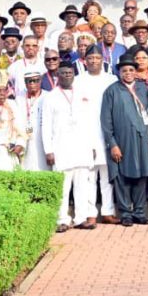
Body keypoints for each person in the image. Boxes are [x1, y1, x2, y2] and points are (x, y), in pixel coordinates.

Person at [101, 53, 148, 226]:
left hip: (141, 139)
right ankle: (125, 213)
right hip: (122, 140)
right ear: (119, 72)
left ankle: (139, 212)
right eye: (124, 70)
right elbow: (105, 120)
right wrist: (112, 144)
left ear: (135, 71)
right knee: (122, 177)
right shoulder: (112, 91)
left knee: (141, 175)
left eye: (131, 70)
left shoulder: (143, 88)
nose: (128, 73)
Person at [42, 61, 96, 231]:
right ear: (58, 75)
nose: (67, 76)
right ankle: (62, 220)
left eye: (70, 73)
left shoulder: (82, 94)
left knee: (82, 187)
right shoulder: (50, 97)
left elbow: (90, 122)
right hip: (61, 148)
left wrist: (93, 145)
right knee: (63, 188)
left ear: (74, 74)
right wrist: (48, 150)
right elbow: (45, 126)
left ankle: (81, 218)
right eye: (63, 73)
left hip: (82, 147)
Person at [75, 45, 120, 224]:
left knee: (107, 176)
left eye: (97, 58)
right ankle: (90, 213)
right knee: (89, 176)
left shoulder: (111, 79)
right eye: (90, 58)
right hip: (86, 134)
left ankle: (108, 211)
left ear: (103, 60)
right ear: (84, 61)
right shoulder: (77, 81)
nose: (94, 61)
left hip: (107, 133)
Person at [0, 69, 25, 171]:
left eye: (4, 90)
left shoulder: (12, 105)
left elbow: (21, 129)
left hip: (10, 153)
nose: (2, 93)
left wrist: (20, 144)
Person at [16, 70, 48, 171]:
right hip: (25, 139)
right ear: (25, 83)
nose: (32, 83)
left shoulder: (48, 97)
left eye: (36, 80)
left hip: (42, 140)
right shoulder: (19, 98)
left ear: (40, 81)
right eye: (29, 81)